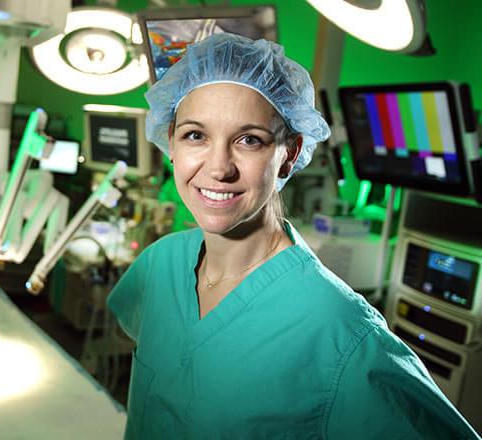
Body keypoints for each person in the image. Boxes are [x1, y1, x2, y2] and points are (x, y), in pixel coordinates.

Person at [107, 33, 480, 439]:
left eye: (249, 140)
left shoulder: (339, 330)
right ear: (171, 143)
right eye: (196, 135)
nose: (218, 168)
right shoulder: (159, 265)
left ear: (288, 153)